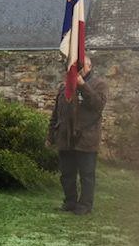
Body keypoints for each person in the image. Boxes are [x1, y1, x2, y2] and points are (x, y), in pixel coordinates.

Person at [46, 56, 108, 215]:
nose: (78, 69)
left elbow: (97, 105)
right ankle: (70, 201)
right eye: (75, 66)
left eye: (82, 65)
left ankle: (85, 205)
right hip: (65, 137)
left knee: (86, 174)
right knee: (67, 174)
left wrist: (82, 85)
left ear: (90, 66)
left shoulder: (99, 84)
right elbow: (56, 113)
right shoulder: (64, 86)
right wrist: (50, 135)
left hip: (86, 137)